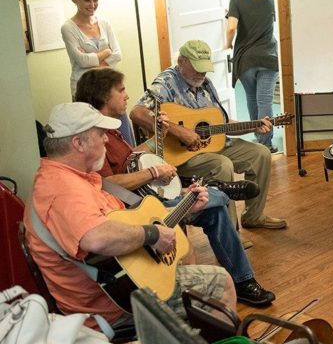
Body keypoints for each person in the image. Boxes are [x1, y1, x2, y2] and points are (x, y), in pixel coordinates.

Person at [24, 102, 237, 329]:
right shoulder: (62, 188)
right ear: (78, 143)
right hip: (111, 306)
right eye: (100, 134)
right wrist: (152, 233)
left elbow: (120, 222)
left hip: (118, 286)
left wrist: (184, 209)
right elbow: (95, 237)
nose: (106, 139)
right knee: (221, 282)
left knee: (185, 255)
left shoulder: (73, 177)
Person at [75, 68, 275, 306]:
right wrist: (154, 172)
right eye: (121, 90)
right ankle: (217, 190)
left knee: (214, 211)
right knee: (213, 202)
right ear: (103, 96)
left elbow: (130, 159)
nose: (127, 96)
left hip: (144, 197)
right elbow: (108, 184)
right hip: (135, 210)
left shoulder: (112, 130)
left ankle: (243, 281)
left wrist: (157, 136)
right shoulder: (94, 137)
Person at [129, 40, 285, 231]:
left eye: (204, 68)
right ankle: (230, 232)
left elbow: (222, 126)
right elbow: (136, 113)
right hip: (182, 154)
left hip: (214, 146)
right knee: (222, 165)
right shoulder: (166, 82)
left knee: (261, 153)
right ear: (181, 61)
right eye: (197, 67)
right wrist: (178, 131)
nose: (201, 73)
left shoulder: (206, 84)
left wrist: (254, 126)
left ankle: (254, 216)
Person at [60, 0, 133, 145]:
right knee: (94, 138)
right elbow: (82, 60)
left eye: (95, 0)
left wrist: (95, 58)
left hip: (110, 89)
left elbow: (117, 55)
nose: (92, 5)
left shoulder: (104, 23)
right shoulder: (68, 28)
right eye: (87, 0)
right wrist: (106, 52)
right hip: (85, 90)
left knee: (123, 136)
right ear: (74, 0)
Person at [225, 0, 280, 153]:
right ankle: (266, 143)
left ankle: (258, 137)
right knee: (265, 100)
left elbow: (232, 27)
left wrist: (228, 44)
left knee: (251, 98)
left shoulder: (236, 0)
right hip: (268, 56)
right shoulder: (270, 0)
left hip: (246, 58)